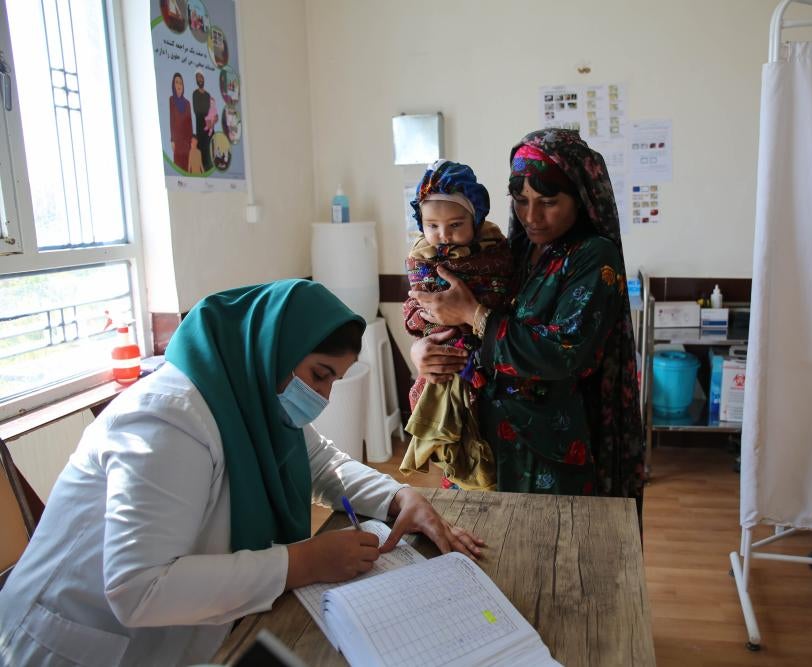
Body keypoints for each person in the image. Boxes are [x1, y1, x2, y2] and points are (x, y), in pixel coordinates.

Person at [0, 279, 484, 666]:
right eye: (319, 374)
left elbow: (324, 463)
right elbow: (137, 586)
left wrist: (400, 497)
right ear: (272, 348)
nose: (324, 398)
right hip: (70, 642)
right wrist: (302, 562)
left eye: (334, 380)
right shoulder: (167, 419)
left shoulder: (254, 399)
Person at [408, 129, 645, 503]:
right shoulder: (510, 251)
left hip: (544, 446)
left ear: (580, 198)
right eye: (520, 200)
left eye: (548, 201)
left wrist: (473, 313)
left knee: (541, 553)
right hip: (476, 436)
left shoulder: (592, 257)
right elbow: (440, 313)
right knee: (474, 549)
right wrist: (423, 352)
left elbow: (564, 352)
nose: (531, 216)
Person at [399, 160, 513, 491]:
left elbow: (504, 298)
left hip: (493, 370)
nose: (443, 235)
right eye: (432, 225)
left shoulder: (498, 253)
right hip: (442, 355)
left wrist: (469, 315)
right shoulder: (423, 258)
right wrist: (424, 323)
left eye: (455, 224)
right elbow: (414, 305)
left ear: (476, 219)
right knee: (458, 457)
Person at [168, 72, 194, 170]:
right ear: (173, 85)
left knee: (188, 168)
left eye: (180, 83)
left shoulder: (187, 103)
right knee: (178, 168)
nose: (179, 85)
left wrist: (191, 142)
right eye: (176, 82)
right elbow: (172, 120)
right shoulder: (171, 100)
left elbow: (190, 123)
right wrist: (172, 140)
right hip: (177, 142)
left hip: (187, 142)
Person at [191, 69, 214, 173]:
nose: (199, 79)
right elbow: (197, 110)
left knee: (211, 153)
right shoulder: (195, 94)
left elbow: (211, 111)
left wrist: (212, 118)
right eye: (197, 78)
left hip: (209, 129)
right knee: (203, 154)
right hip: (200, 129)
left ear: (204, 79)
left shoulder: (208, 95)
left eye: (200, 77)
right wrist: (208, 117)